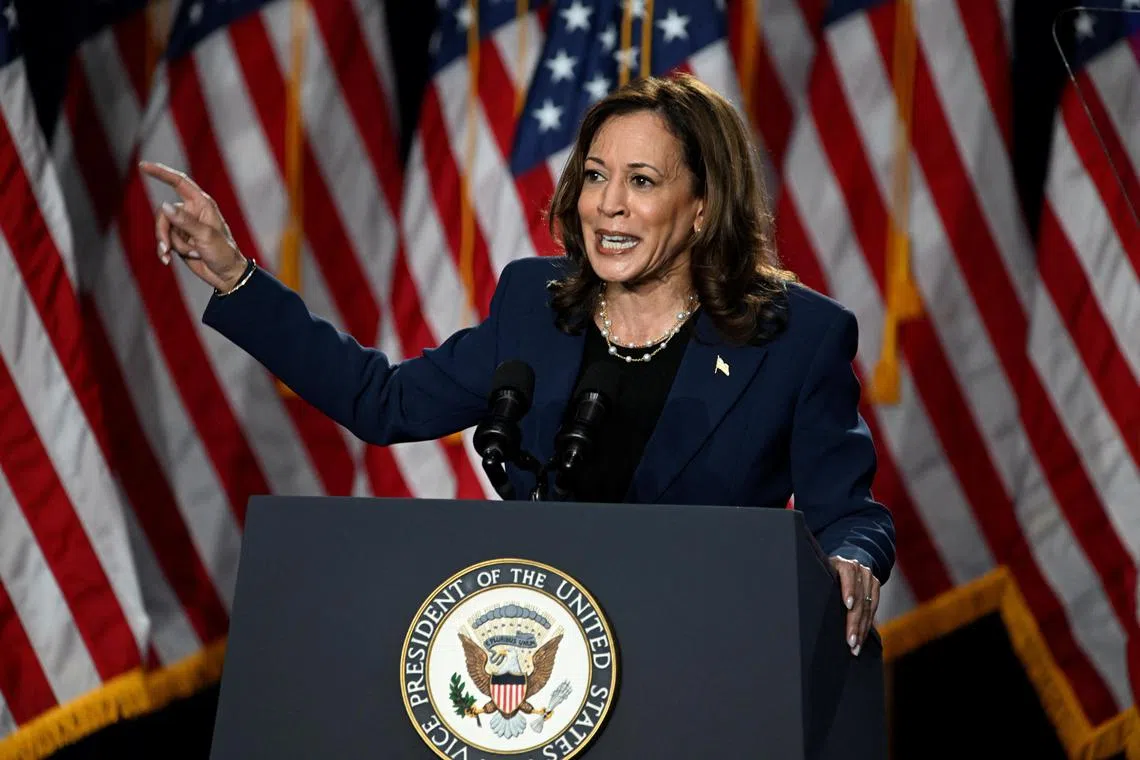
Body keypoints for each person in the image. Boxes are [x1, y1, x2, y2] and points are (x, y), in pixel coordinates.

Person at [140, 72, 894, 657]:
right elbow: (384, 403)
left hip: (704, 661)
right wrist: (238, 276)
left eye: (642, 181)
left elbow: (848, 515)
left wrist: (854, 559)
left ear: (702, 205)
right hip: (546, 662)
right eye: (596, 176)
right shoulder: (539, 305)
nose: (609, 206)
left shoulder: (793, 339)